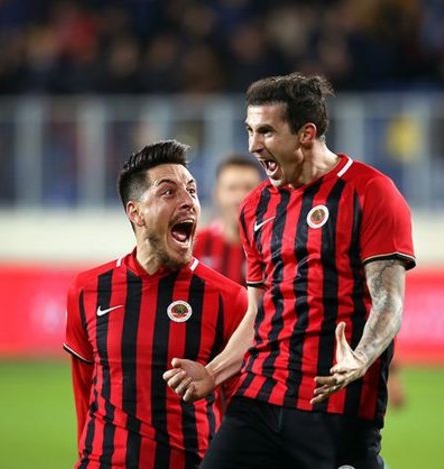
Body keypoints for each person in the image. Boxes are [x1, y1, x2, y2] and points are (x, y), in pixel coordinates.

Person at [164, 73, 416, 468]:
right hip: (258, 398)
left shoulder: (370, 192)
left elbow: (389, 298)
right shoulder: (255, 207)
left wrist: (361, 357)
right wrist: (214, 373)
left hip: (334, 404)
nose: (253, 145)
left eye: (266, 131)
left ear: (306, 134)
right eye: (249, 131)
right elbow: (258, 312)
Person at [64, 140, 247, 468]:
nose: (188, 201)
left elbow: (242, 407)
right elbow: (84, 389)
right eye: (169, 192)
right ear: (135, 212)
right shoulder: (88, 290)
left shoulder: (228, 298)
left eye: (192, 190)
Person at [194, 154, 263, 285]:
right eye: (232, 188)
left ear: (262, 195)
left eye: (248, 188)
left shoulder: (274, 247)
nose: (239, 198)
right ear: (217, 194)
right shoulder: (196, 245)